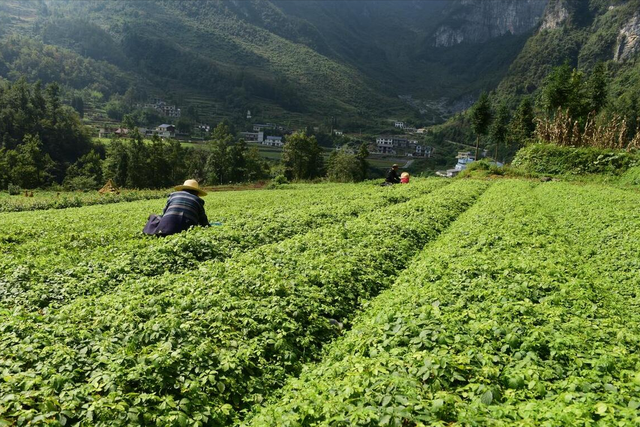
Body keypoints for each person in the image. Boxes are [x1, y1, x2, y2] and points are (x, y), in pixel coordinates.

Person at [143, 179, 209, 236]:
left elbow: (164, 213)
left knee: (153, 217)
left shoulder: (173, 195)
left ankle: (153, 230)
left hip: (165, 229)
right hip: (186, 230)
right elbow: (203, 221)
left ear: (183, 189)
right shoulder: (198, 200)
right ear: (197, 192)